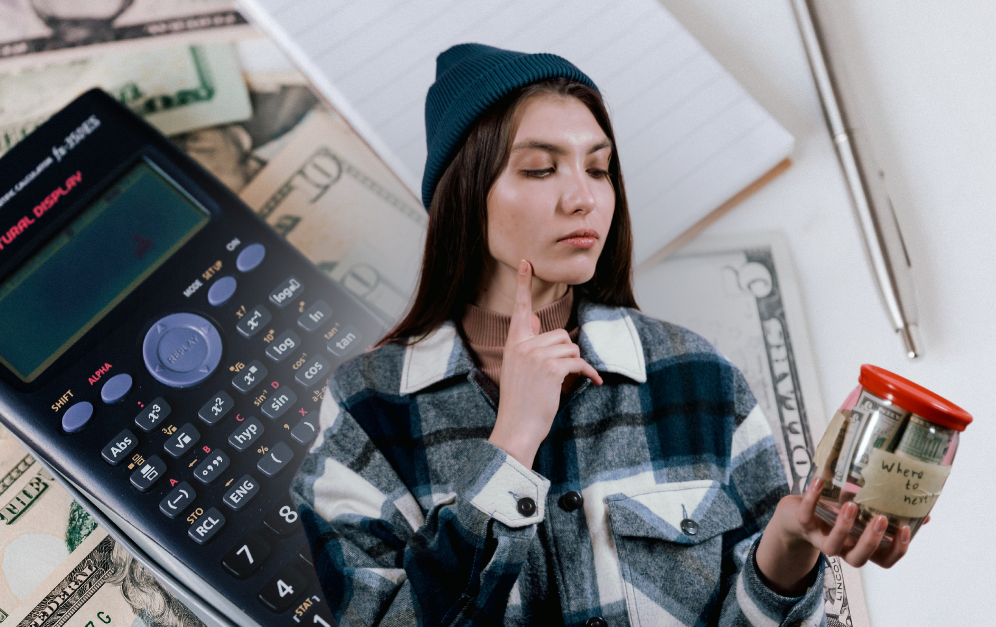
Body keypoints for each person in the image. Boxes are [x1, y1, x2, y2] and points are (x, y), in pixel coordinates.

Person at [288, 43, 912, 626]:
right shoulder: (367, 408)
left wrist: (786, 553)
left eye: (599, 168)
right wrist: (509, 447)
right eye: (539, 169)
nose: (584, 198)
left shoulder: (696, 376)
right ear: (465, 192)